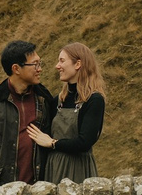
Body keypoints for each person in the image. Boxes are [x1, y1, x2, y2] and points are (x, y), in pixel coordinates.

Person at [0, 40, 56, 189]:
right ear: (16, 68)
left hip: (36, 191)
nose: (40, 69)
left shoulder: (44, 99)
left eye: (40, 63)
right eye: (35, 64)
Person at [29, 41, 106, 183]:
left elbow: (84, 142)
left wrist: (53, 143)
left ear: (77, 64)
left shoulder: (94, 100)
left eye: (62, 61)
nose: (57, 66)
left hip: (78, 168)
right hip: (53, 167)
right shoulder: (58, 100)